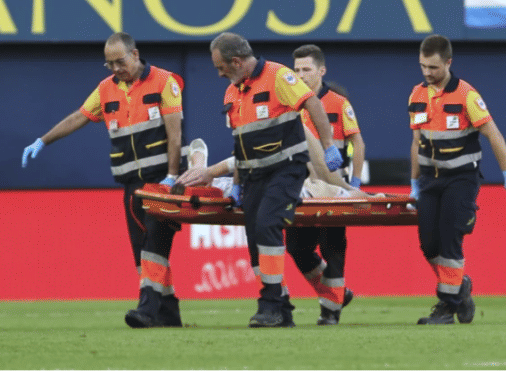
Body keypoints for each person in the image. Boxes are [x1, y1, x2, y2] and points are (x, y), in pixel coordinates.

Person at [176, 32, 351, 328]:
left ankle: (270, 302)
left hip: (287, 168)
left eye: (221, 67)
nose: (218, 74)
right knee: (255, 236)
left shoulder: (279, 76)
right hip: (252, 175)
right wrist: (236, 182)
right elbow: (241, 142)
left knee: (269, 225)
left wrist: (329, 144)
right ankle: (281, 307)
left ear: (236, 61)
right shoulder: (233, 91)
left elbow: (313, 105)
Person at [22, 32, 187, 329]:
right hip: (131, 184)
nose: (115, 69)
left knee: (154, 245)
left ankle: (147, 311)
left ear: (135, 55)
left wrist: (172, 176)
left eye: (119, 61)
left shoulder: (165, 82)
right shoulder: (106, 89)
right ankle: (169, 312)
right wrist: (43, 141)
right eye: (109, 64)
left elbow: (175, 135)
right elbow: (79, 117)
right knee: (142, 251)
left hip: (161, 181)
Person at [409, 34, 506, 325]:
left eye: (433, 67)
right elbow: (416, 142)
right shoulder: (417, 96)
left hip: (461, 178)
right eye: (423, 66)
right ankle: (461, 288)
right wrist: (414, 182)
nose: (427, 73)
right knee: (428, 244)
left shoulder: (467, 96)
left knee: (450, 240)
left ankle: (447, 306)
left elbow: (494, 135)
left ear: (448, 63)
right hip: (430, 181)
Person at [285, 44, 365, 325]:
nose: (300, 75)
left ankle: (330, 311)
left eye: (306, 69)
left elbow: (357, 142)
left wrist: (353, 183)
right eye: (296, 69)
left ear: (321, 71)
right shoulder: (288, 102)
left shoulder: (338, 103)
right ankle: (337, 292)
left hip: (332, 186)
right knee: (297, 247)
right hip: (301, 189)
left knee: (333, 247)